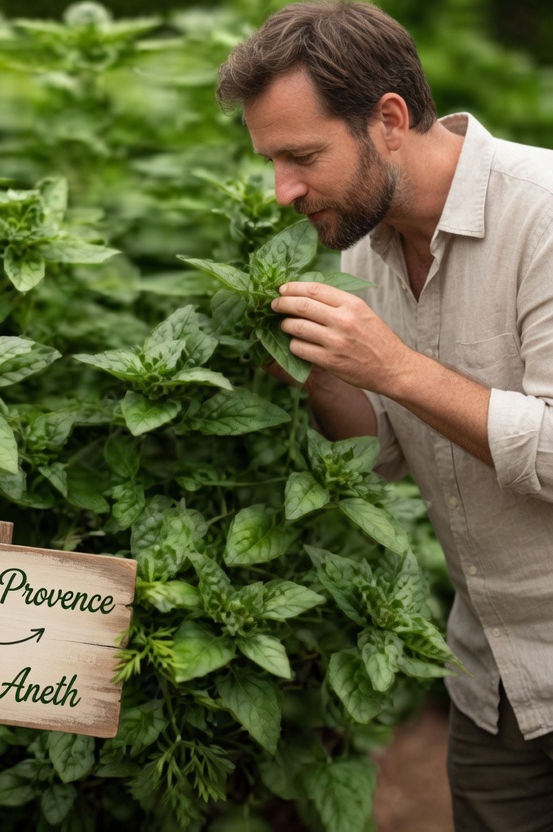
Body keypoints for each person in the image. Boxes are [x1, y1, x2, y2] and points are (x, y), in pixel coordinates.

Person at [216, 2, 553, 829]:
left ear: (389, 120)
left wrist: (396, 367)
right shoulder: (363, 239)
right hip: (495, 678)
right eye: (272, 161)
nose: (283, 190)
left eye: (301, 157)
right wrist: (323, 379)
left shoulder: (542, 214)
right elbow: (390, 459)